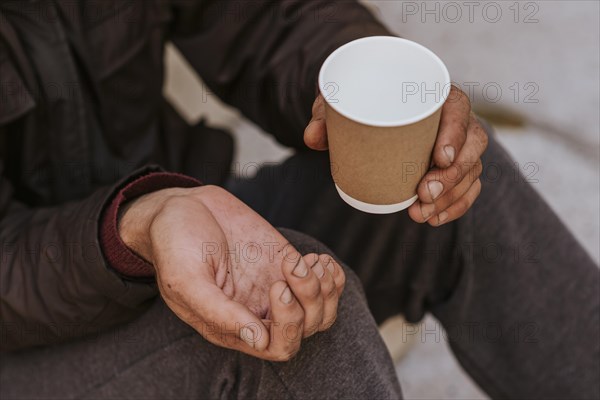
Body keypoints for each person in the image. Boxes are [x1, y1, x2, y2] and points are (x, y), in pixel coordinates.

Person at [0, 1, 597, 399]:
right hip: (27, 342)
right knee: (296, 327)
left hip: (177, 208)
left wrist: (364, 86)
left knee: (438, 177)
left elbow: (267, 17)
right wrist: (137, 225)